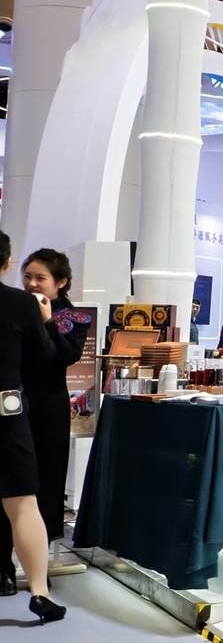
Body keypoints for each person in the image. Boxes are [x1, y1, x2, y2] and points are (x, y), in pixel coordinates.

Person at [0, 250, 92, 587]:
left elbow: (66, 356)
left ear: (61, 282)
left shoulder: (74, 318)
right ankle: (3, 565)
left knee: (46, 479)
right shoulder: (16, 305)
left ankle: (38, 567)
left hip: (48, 407)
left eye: (40, 278)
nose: (32, 284)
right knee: (10, 481)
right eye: (27, 276)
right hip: (12, 403)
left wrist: (48, 322)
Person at [0, 230, 67, 620]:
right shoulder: (20, 303)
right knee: (23, 504)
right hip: (6, 414)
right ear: (7, 263)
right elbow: (44, 357)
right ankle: (40, 593)